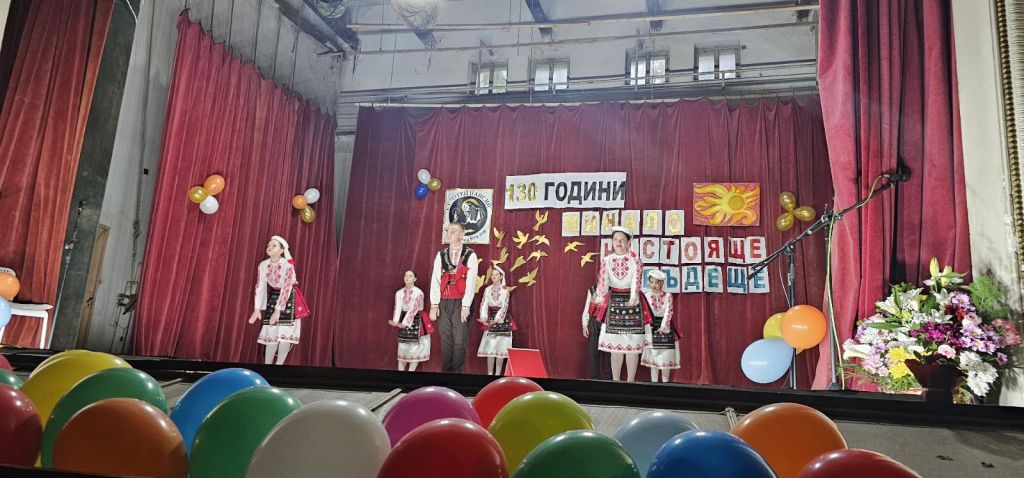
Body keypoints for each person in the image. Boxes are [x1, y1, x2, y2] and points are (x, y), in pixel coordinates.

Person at [592, 226, 652, 382]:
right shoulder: (607, 260)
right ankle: (616, 381)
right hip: (614, 301)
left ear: (628, 243)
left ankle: (630, 381)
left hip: (632, 302)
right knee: (615, 346)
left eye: (622, 240)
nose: (618, 243)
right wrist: (600, 296)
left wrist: (633, 297)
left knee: (632, 345)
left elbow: (636, 279)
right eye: (616, 240)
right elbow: (603, 281)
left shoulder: (635, 260)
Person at [429, 222, 479, 373]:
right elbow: (436, 279)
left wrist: (466, 306)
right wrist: (434, 304)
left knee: (459, 340)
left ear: (462, 234)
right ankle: (446, 376)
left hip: (461, 302)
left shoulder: (470, 255)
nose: (449, 233)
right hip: (444, 301)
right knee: (446, 340)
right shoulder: (441, 255)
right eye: (448, 230)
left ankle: (456, 376)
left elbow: (471, 282)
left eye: (454, 230)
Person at [248, 236, 304, 365]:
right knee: (271, 333)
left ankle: (279, 366)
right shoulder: (263, 265)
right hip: (273, 297)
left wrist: (278, 310)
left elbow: (287, 287)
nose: (269, 247)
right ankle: (268, 366)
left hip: (288, 298)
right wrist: (257, 309)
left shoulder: (287, 265)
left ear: (282, 250)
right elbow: (260, 286)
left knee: (285, 335)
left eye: (274, 245)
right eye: (269, 245)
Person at [641, 270, 680, 382]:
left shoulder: (668, 296)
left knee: (665, 358)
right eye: (651, 282)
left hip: (666, 327)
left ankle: (665, 385)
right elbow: (644, 313)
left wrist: (664, 326)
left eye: (657, 282)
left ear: (662, 283)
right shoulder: (646, 296)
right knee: (654, 358)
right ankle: (654, 385)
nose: (654, 285)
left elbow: (669, 311)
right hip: (651, 327)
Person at [392, 270, 433, 371]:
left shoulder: (419, 293)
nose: (407, 277)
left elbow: (413, 309)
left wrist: (405, 323)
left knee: (416, 349)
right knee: (403, 348)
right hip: (405, 319)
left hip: (417, 320)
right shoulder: (399, 293)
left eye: (410, 276)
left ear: (415, 279)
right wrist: (396, 320)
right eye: (405, 275)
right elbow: (398, 307)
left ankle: (411, 373)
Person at [477, 267, 516, 375]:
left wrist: (498, 319)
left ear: (501, 276)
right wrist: (483, 317)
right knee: (490, 347)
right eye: (492, 274)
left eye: (496, 274)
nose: (493, 276)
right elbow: (484, 303)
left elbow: (504, 306)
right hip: (490, 318)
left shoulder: (505, 290)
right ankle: (489, 374)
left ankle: (497, 374)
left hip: (502, 320)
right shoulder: (488, 289)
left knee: (501, 348)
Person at [581, 283, 610, 380]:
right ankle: (594, 378)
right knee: (593, 352)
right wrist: (585, 324)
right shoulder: (592, 290)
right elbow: (587, 308)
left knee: (609, 353)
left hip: (607, 322)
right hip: (593, 321)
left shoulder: (612, 290)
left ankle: (609, 379)